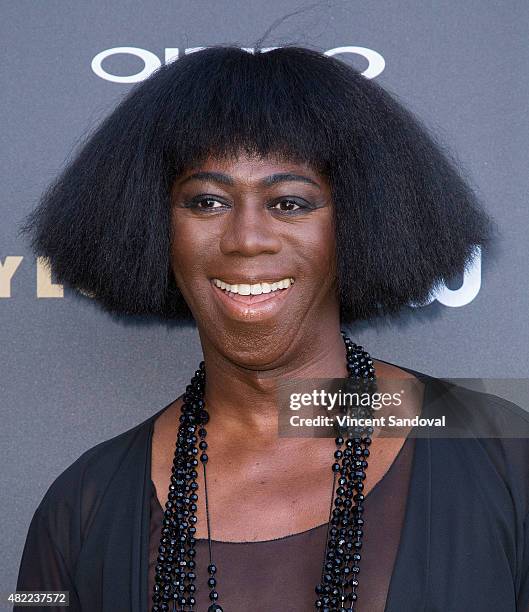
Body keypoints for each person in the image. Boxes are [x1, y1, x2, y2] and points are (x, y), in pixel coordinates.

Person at [14, 44, 529, 612]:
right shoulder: (79, 505)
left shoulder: (501, 447)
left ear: (361, 222)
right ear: (152, 227)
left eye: (289, 203)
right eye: (207, 201)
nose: (246, 238)